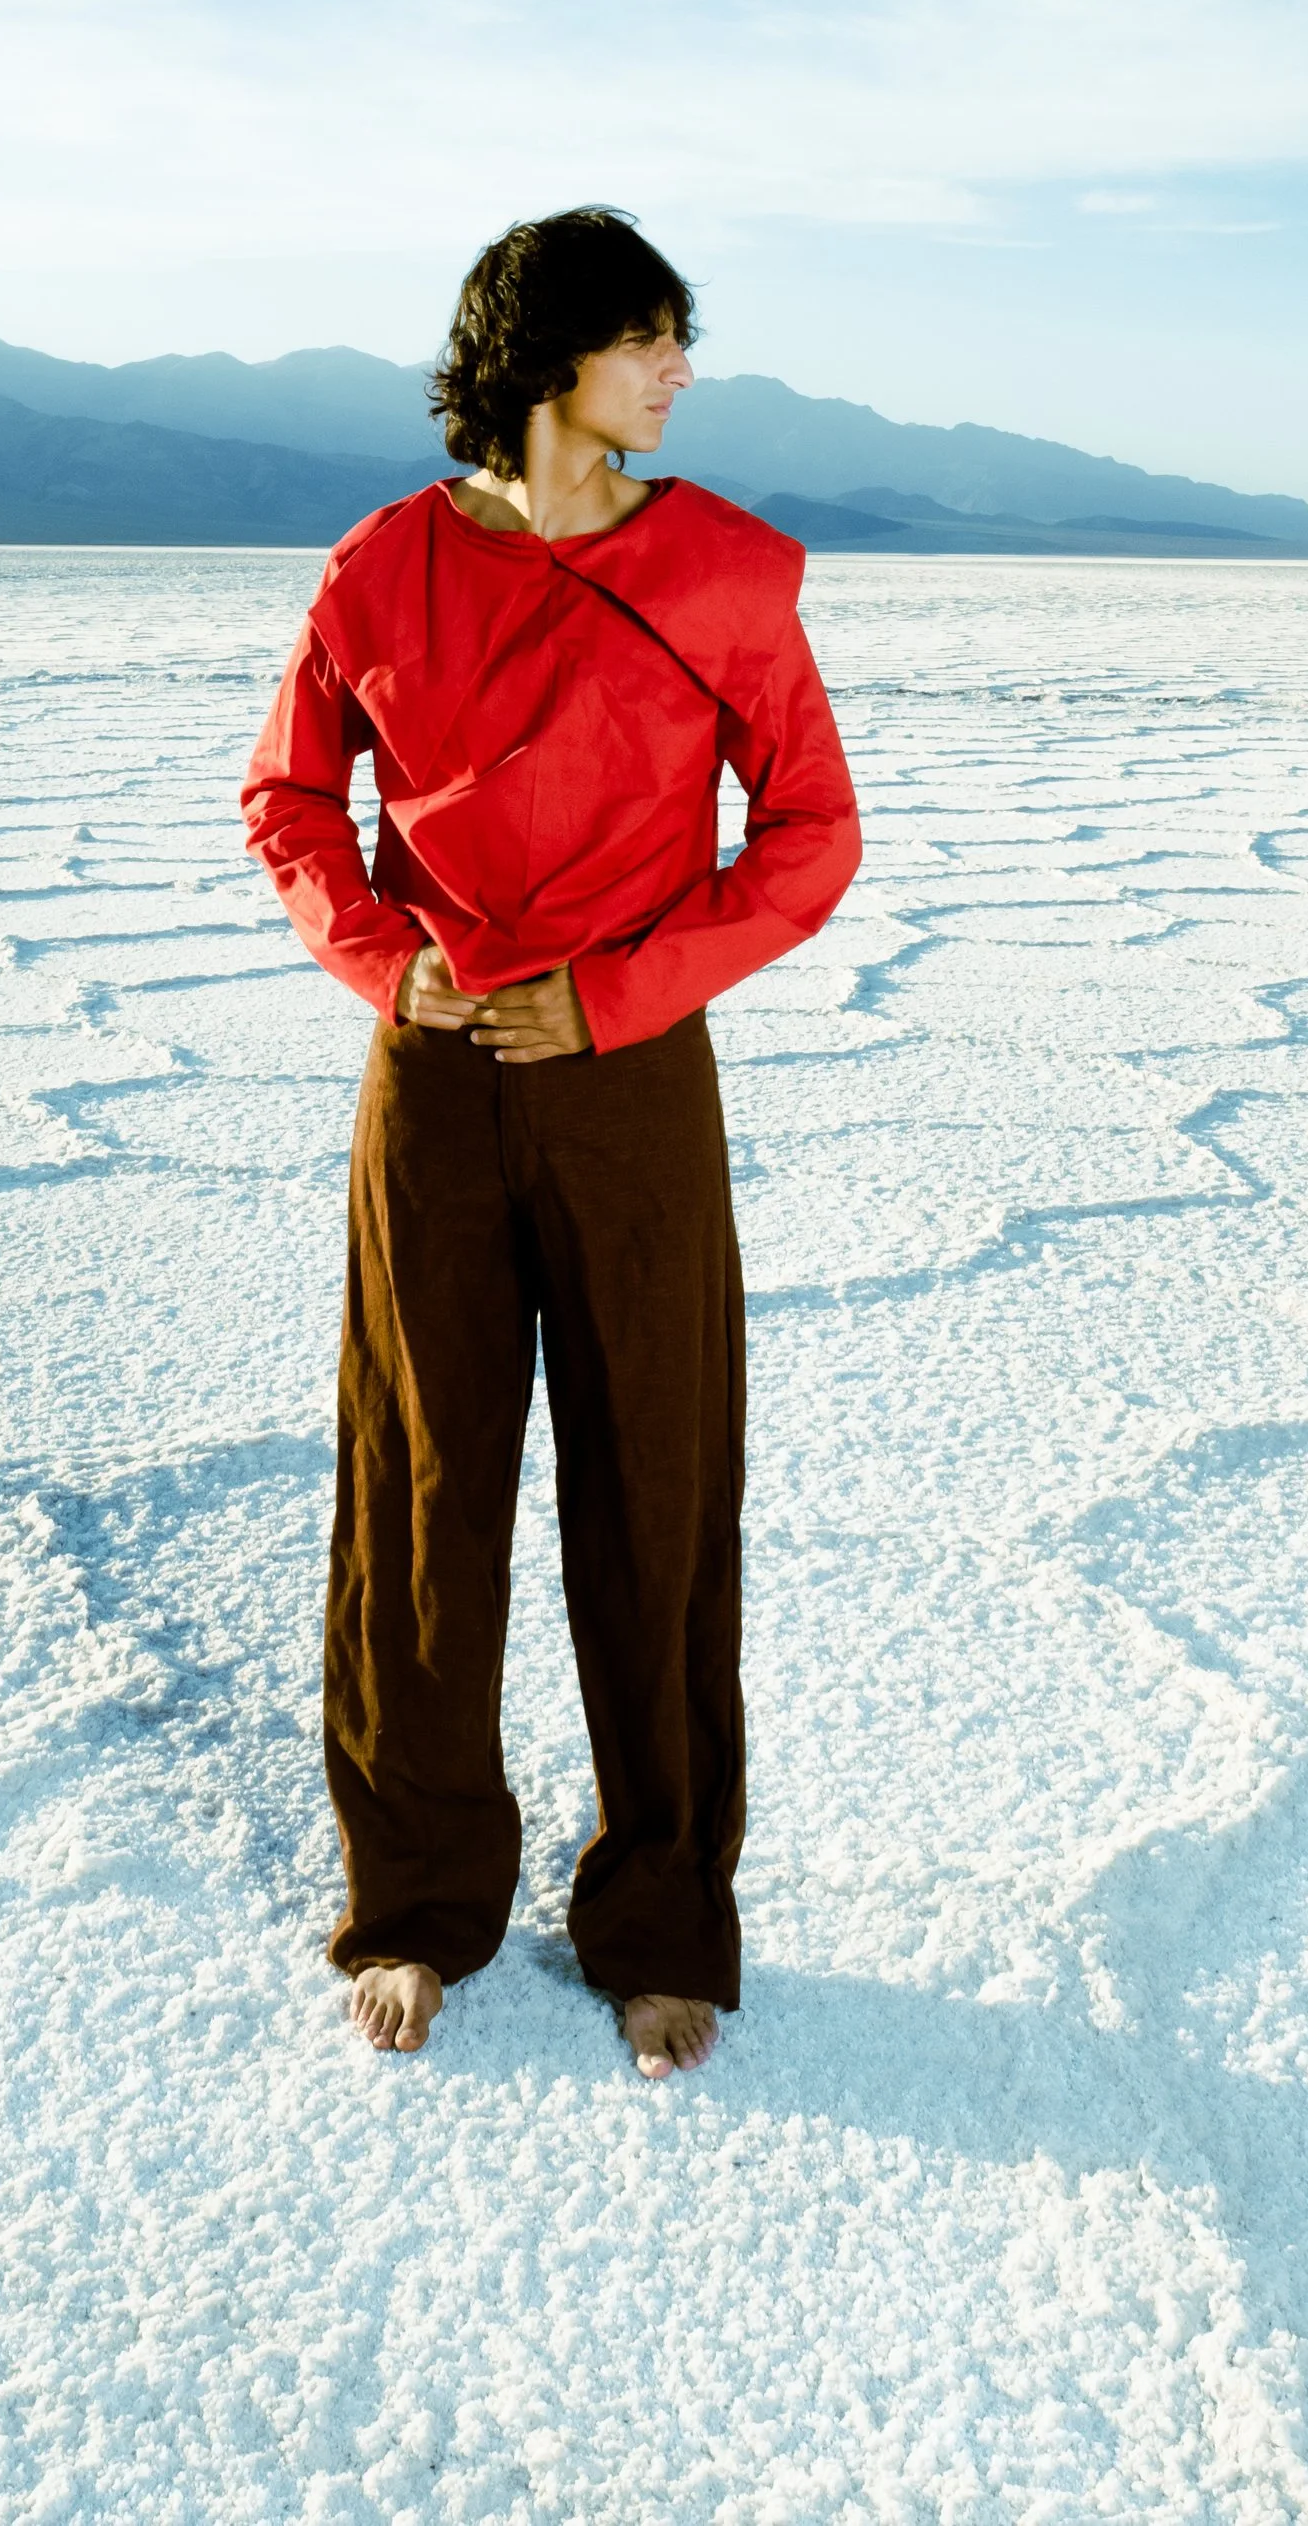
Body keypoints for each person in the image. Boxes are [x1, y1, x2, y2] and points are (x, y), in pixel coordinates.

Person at [241, 208, 863, 2078]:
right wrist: (381, 958)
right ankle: (422, 1898)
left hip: (631, 1079)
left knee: (653, 1498)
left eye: (680, 337)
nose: (680, 369)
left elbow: (812, 829)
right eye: (648, 338)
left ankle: (661, 1918)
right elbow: (291, 794)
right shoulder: (386, 565)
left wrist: (620, 993)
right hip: (430, 1080)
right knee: (427, 1496)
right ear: (543, 362)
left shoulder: (731, 574)